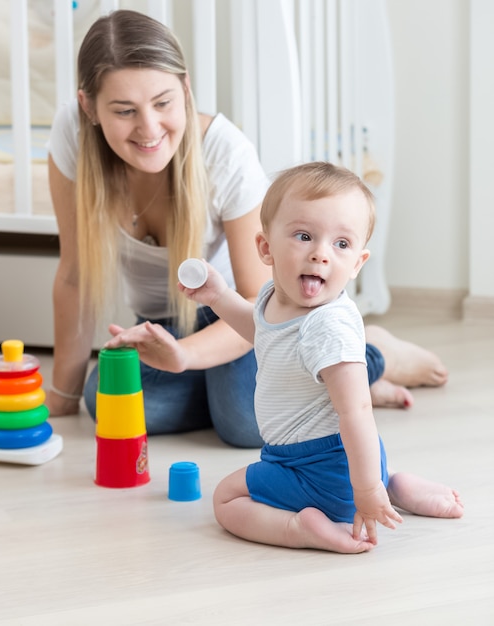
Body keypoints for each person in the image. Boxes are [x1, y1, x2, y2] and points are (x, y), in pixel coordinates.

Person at [47, 9, 447, 448]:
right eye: (125, 111)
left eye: (163, 103)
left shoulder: (225, 154)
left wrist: (184, 357)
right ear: (89, 107)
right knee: (102, 400)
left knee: (245, 424)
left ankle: (367, 354)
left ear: (185, 89)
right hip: (163, 323)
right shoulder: (72, 135)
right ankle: (319, 382)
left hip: (243, 317)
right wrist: (63, 394)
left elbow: (257, 302)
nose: (149, 128)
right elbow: (74, 273)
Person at [172, 161, 464, 553]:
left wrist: (363, 490)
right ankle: (394, 485)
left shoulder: (328, 327)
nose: (320, 255)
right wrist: (217, 296)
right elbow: (261, 334)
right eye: (304, 236)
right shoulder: (276, 298)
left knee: (226, 499)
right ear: (266, 247)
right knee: (363, 478)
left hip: (323, 469)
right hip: (346, 462)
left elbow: (357, 411)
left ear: (358, 262)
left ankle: (301, 527)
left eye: (341, 244)